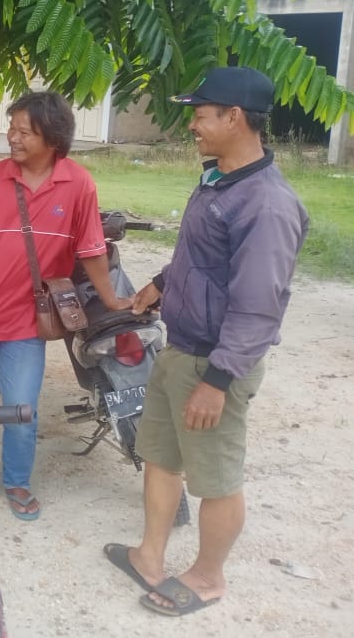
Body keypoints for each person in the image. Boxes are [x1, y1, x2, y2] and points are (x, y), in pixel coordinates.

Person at [103, 67, 308, 617]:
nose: (192, 124)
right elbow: (203, 259)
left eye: (201, 114)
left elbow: (257, 306)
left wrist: (218, 381)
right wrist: (162, 285)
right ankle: (151, 555)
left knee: (215, 480)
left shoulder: (266, 204)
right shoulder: (217, 178)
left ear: (234, 117)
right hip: (180, 348)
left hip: (216, 365)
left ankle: (208, 577)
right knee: (161, 459)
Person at [0, 91, 131, 520]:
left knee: (21, 406)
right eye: (11, 128)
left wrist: (111, 299)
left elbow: (91, 252)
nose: (11, 137)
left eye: (23, 132)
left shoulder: (79, 184)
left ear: (52, 138)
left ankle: (17, 481)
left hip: (29, 323)